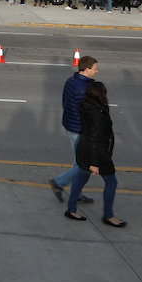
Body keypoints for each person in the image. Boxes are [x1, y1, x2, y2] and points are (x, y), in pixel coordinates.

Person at [64, 81, 125, 227]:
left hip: (85, 149)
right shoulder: (98, 114)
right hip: (98, 154)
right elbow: (95, 139)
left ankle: (71, 209)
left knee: (81, 179)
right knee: (111, 182)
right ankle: (108, 216)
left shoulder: (86, 105)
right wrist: (94, 163)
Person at [47, 56, 98, 206]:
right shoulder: (83, 88)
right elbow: (83, 113)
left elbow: (66, 102)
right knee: (84, 165)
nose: (97, 71)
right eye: (95, 68)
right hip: (79, 130)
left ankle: (77, 194)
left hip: (70, 126)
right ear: (87, 69)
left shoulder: (71, 81)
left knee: (79, 162)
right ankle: (58, 182)